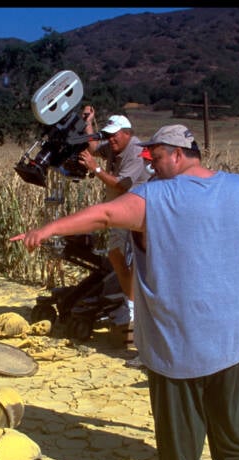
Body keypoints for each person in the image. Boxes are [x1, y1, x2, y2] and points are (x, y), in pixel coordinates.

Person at [12, 124, 239, 460]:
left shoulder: (155, 197)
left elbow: (104, 216)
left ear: (179, 153)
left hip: (178, 326)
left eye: (155, 156)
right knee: (231, 389)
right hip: (232, 323)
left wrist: (47, 229)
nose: (149, 163)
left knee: (178, 401)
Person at [78, 109, 153, 331]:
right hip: (119, 211)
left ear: (127, 133)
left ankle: (133, 308)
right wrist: (89, 123)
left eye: (115, 135)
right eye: (108, 136)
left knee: (133, 259)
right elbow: (93, 146)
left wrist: (96, 168)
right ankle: (129, 302)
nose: (111, 140)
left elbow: (122, 184)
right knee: (116, 255)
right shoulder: (112, 147)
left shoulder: (136, 151)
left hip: (135, 211)